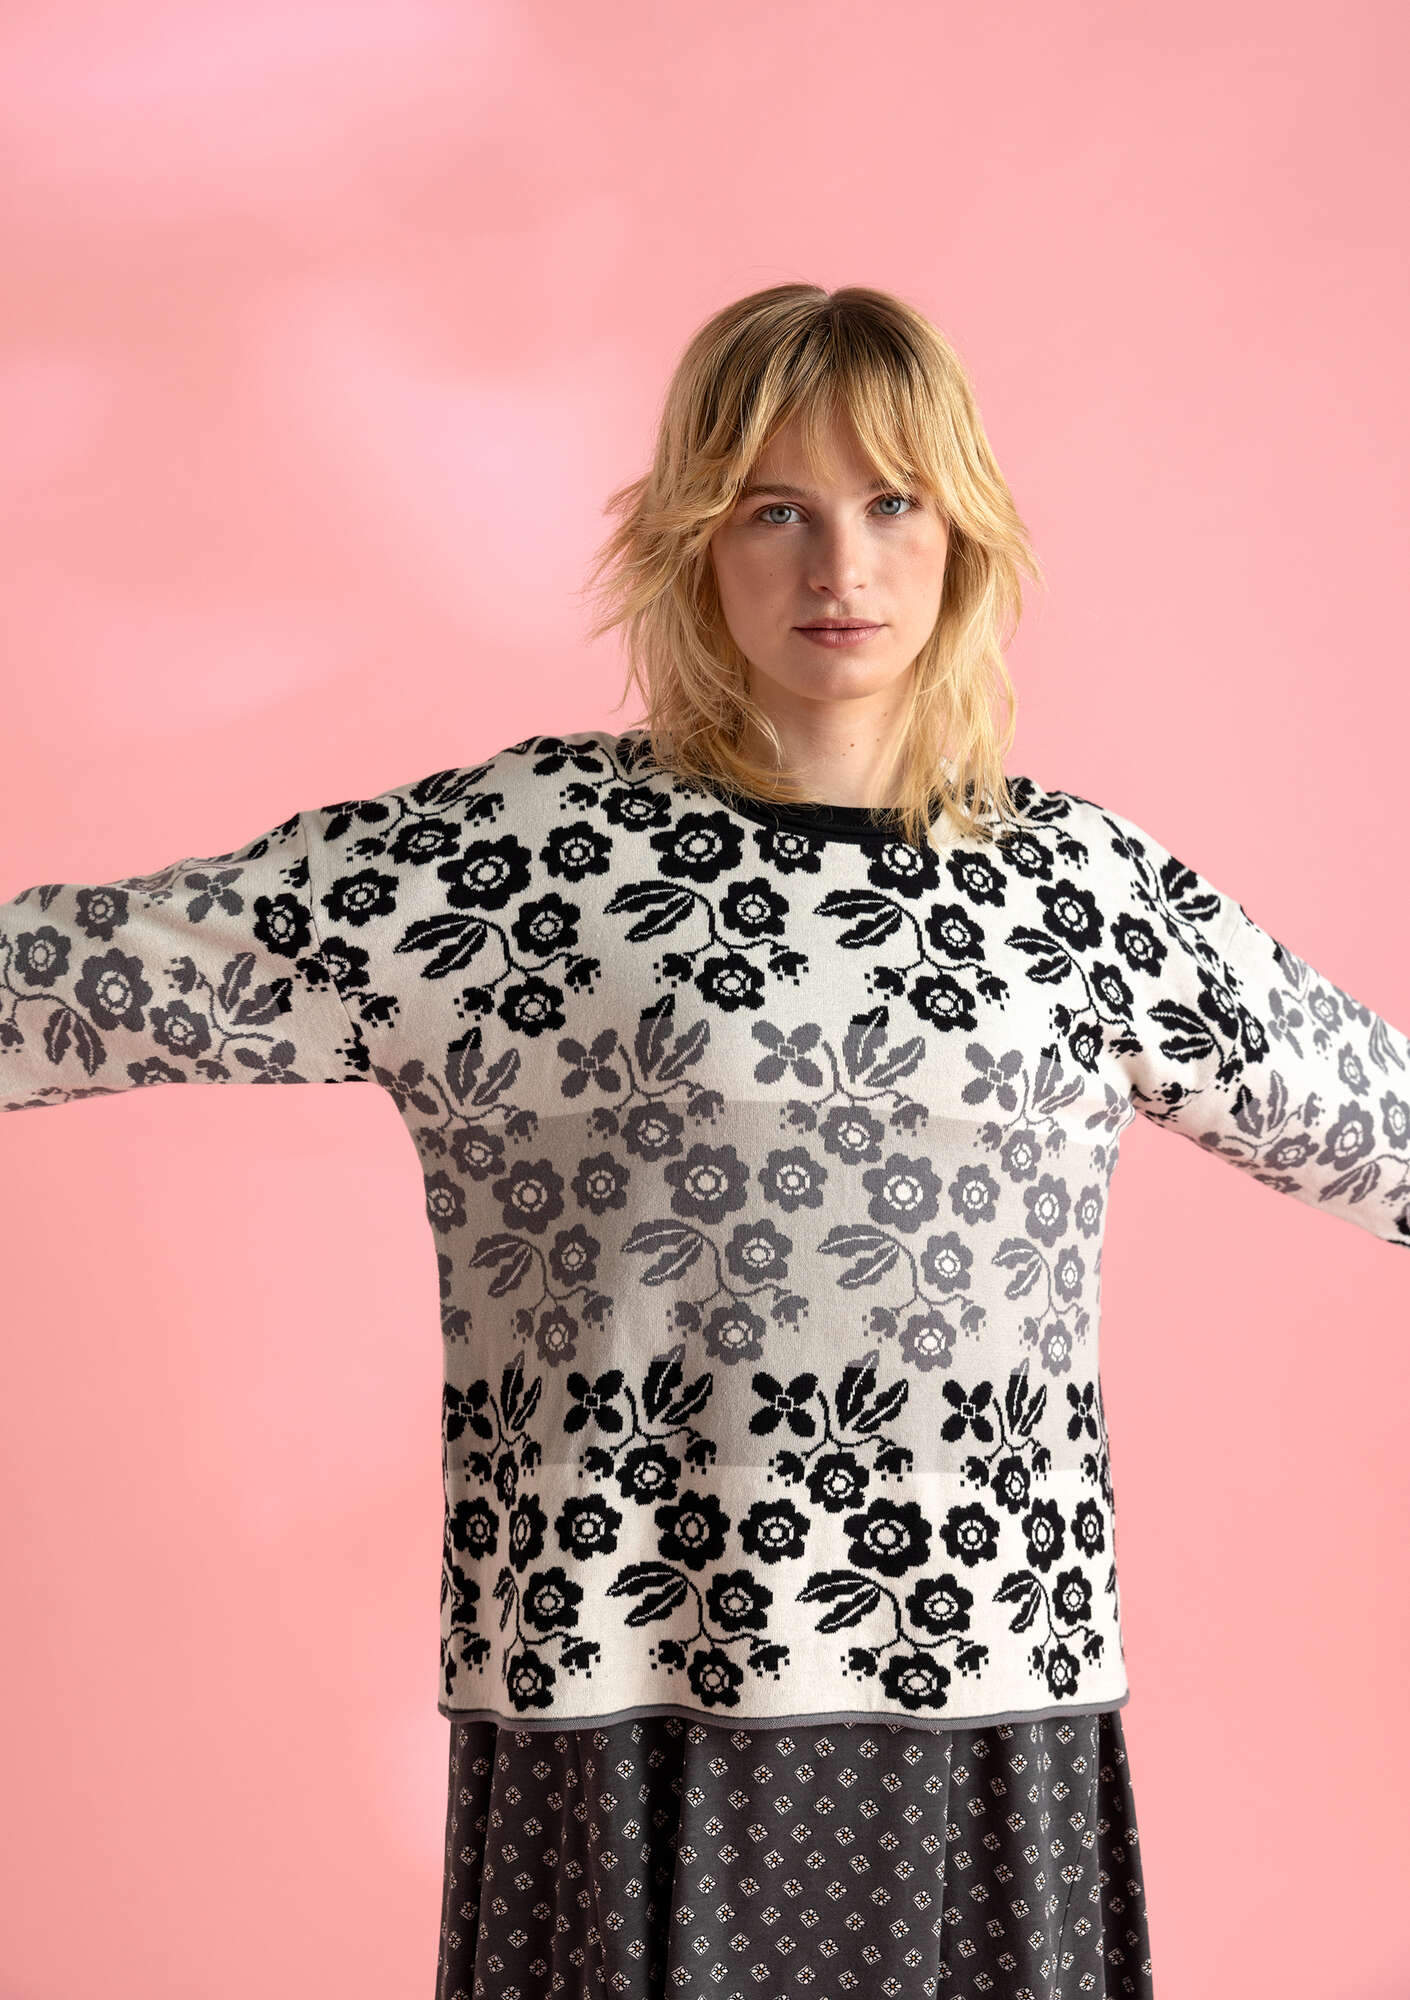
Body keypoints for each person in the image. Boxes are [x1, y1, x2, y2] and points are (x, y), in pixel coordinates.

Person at [3, 284, 1406, 1999]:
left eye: (891, 501)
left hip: (982, 1678)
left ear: (962, 529)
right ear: (692, 539)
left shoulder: (1081, 892)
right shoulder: (527, 858)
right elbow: (91, 976)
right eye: (774, 511)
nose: (842, 567)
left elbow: (1378, 1125)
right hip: (621, 1679)